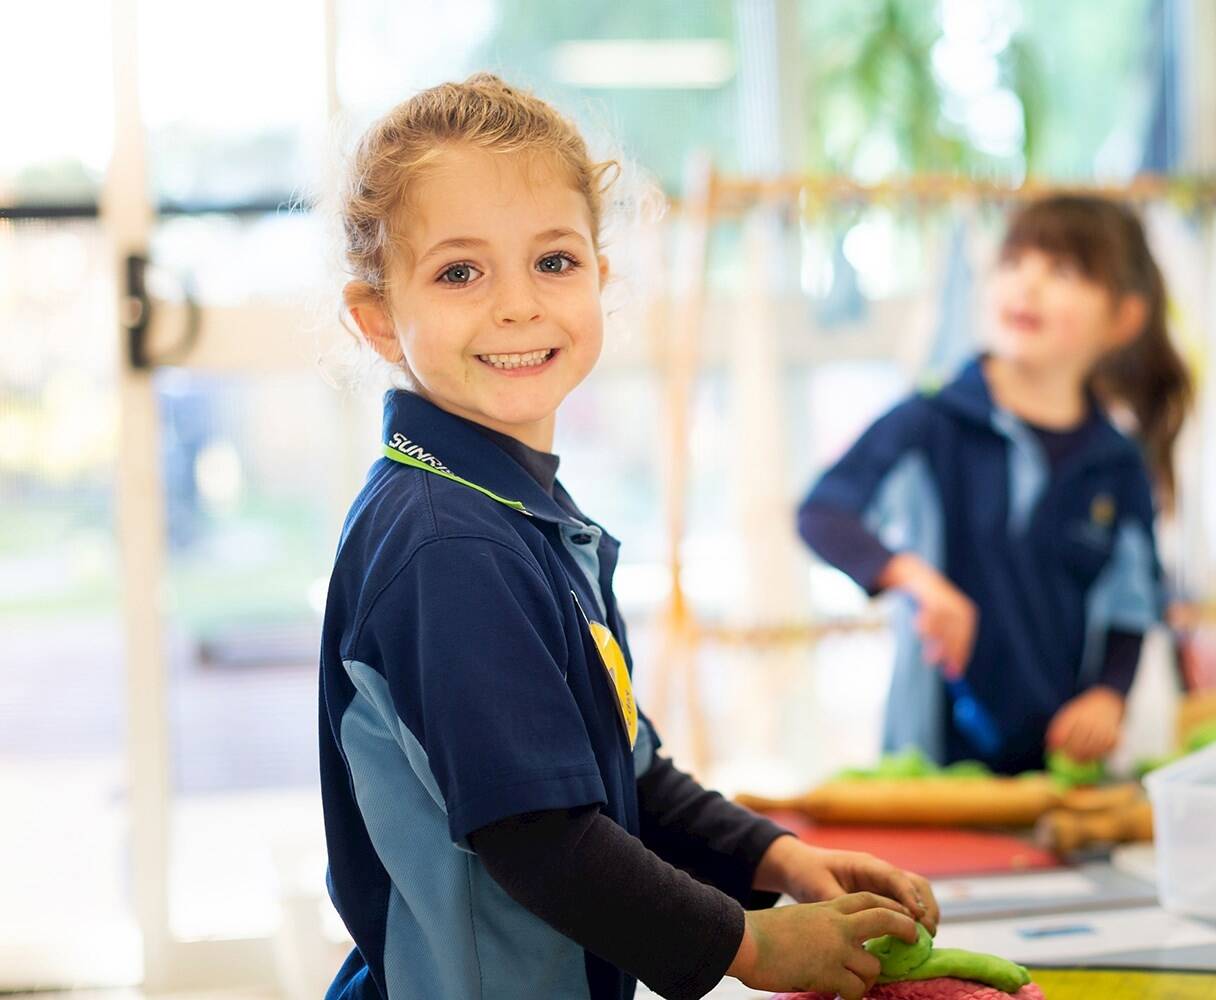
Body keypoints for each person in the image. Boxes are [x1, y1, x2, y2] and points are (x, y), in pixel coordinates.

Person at [318, 73, 935, 1000]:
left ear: (603, 277)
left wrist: (779, 860)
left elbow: (627, 774)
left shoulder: (521, 516)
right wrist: (753, 949)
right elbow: (542, 837)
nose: (518, 306)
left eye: (554, 261)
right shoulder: (448, 546)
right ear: (376, 320)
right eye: (459, 272)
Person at [798, 195, 1190, 774]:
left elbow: (1131, 606)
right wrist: (917, 581)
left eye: (1062, 272)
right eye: (1013, 263)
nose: (1026, 286)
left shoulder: (1119, 466)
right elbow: (823, 512)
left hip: (1058, 773)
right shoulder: (929, 423)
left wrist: (1109, 695)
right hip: (929, 762)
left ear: (1123, 319)